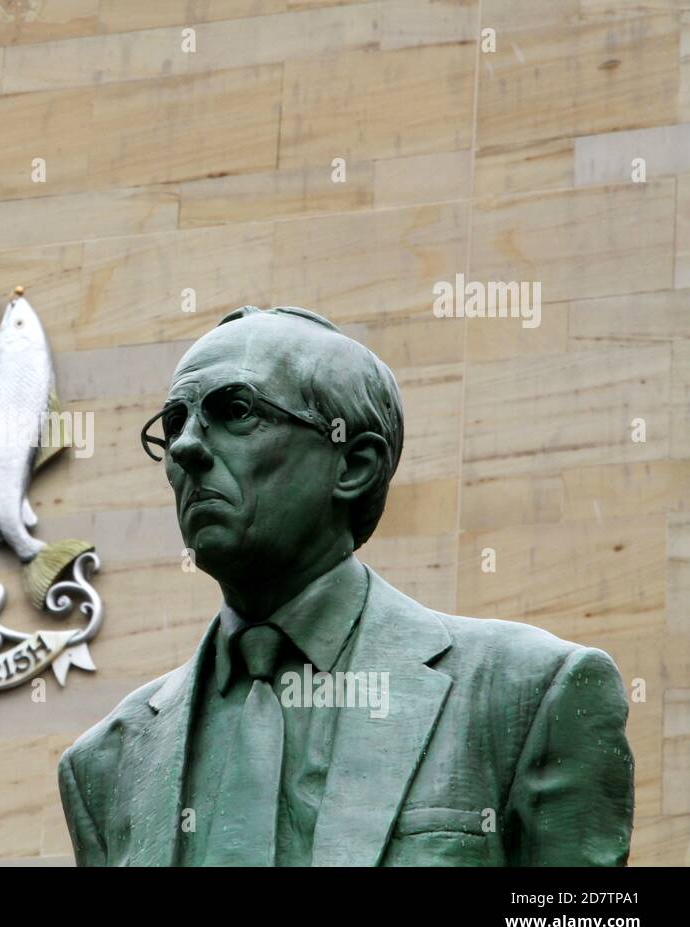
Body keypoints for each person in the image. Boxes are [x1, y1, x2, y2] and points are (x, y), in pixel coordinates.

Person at [57, 305, 634, 866]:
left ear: (354, 465)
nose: (185, 448)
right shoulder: (107, 762)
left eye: (235, 411)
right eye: (176, 421)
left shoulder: (530, 691)